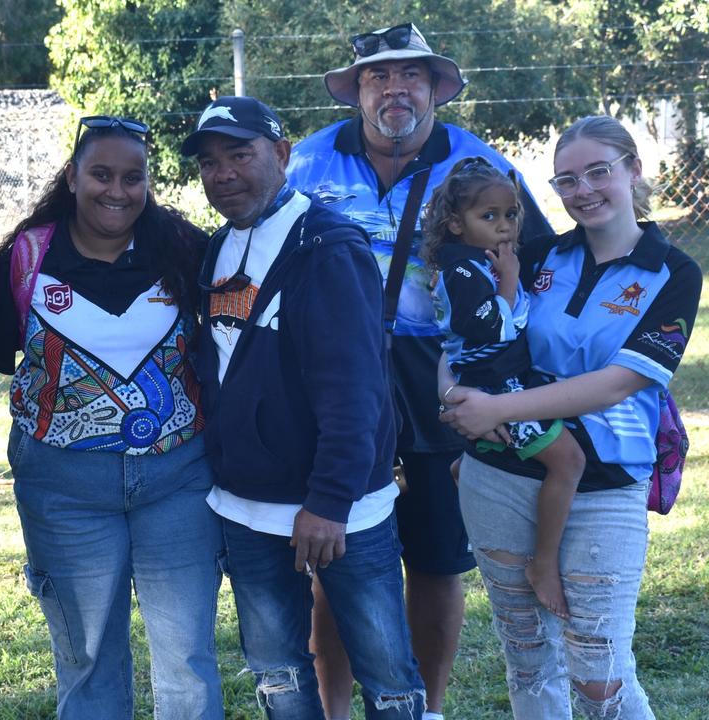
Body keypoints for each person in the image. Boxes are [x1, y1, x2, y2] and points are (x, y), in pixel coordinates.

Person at [284, 23, 552, 719]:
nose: (394, 89)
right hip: (336, 374)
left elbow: (538, 258)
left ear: (435, 88)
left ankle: (427, 709)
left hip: (440, 370)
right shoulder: (305, 164)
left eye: (412, 76)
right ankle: (332, 710)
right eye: (378, 76)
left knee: (436, 554)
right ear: (357, 90)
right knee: (333, 547)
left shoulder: (479, 164)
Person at [0, 115, 222, 719]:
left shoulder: (182, 248)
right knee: (87, 661)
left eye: (134, 177)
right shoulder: (29, 255)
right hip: (64, 488)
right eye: (101, 174)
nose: (117, 190)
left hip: (177, 480)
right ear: (73, 176)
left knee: (187, 660)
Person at [440, 115, 702, 719]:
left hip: (606, 483)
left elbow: (621, 382)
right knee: (529, 658)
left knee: (599, 674)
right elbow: (458, 336)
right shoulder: (533, 254)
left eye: (598, 172)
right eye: (566, 179)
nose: (582, 190)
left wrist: (497, 408)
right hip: (499, 474)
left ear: (633, 170)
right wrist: (452, 399)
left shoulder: (674, 271)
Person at [184, 94, 425, 719]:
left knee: (389, 677)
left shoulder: (327, 247)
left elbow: (356, 389)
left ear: (284, 154)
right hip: (246, 505)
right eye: (209, 163)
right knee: (278, 676)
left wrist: (328, 500)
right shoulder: (219, 246)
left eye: (241, 154)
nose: (223, 174)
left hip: (340, 510)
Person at [421, 156, 585, 619]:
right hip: (495, 383)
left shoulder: (480, 261)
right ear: (455, 223)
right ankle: (544, 564)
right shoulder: (463, 272)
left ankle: (465, 467)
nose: (504, 226)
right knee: (569, 460)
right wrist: (510, 284)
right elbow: (491, 329)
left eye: (510, 215)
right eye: (487, 216)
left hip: (505, 376)